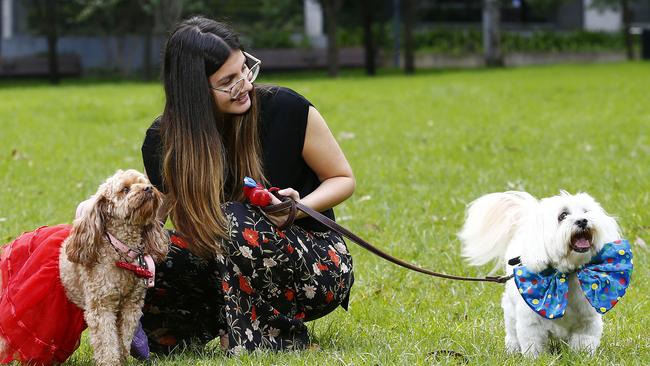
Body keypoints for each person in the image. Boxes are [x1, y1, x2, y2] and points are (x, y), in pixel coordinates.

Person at [139, 16, 355, 354]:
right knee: (154, 254)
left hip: (314, 265)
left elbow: (342, 179)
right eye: (228, 80)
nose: (245, 84)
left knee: (234, 218)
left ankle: (269, 335)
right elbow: (169, 223)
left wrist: (297, 209)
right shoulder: (162, 142)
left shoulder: (286, 108)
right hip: (223, 265)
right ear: (194, 92)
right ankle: (177, 333)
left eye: (244, 69)